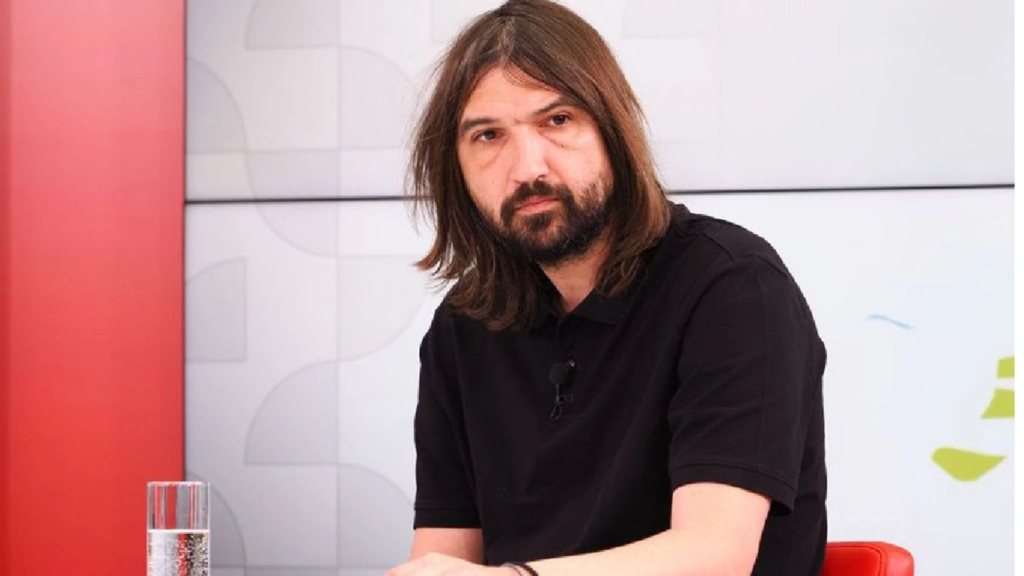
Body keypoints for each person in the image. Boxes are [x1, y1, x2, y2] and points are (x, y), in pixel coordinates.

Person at [388, 1, 827, 575]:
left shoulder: (733, 286)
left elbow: (715, 556)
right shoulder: (463, 324)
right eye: (488, 135)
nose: (528, 168)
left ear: (612, 130)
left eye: (557, 121)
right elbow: (443, 559)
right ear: (456, 168)